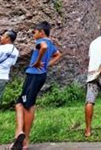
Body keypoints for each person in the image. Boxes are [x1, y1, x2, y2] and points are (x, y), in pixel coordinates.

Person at [10, 21, 62, 150]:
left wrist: (38, 62)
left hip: (34, 75)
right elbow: (58, 54)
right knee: (20, 103)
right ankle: (19, 133)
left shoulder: (42, 41)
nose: (33, 34)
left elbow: (43, 47)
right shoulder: (51, 43)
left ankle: (24, 140)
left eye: (34, 32)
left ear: (41, 32)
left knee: (28, 105)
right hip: (38, 75)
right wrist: (47, 65)